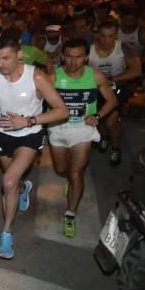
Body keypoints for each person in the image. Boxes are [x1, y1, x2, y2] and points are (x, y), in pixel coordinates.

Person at [0, 34, 68, 259]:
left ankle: (6, 234)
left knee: (8, 181)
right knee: (14, 181)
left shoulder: (37, 77)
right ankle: (24, 188)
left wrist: (28, 121)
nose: (1, 64)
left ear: (19, 55)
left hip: (29, 135)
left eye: (6, 58)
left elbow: (62, 110)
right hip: (1, 133)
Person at [48, 38, 118, 238]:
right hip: (58, 128)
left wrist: (97, 116)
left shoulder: (95, 76)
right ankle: (69, 180)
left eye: (78, 57)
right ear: (62, 56)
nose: (72, 62)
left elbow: (112, 100)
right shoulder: (52, 77)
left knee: (77, 173)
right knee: (62, 170)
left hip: (83, 130)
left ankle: (70, 214)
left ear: (86, 57)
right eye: (68, 57)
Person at [88, 18, 142, 166]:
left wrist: (113, 78)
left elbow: (137, 70)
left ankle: (116, 148)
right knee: (99, 119)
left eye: (110, 36)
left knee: (112, 120)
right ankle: (104, 138)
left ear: (116, 35)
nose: (106, 40)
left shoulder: (123, 48)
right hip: (96, 88)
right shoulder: (89, 49)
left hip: (116, 87)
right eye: (103, 36)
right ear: (97, 35)